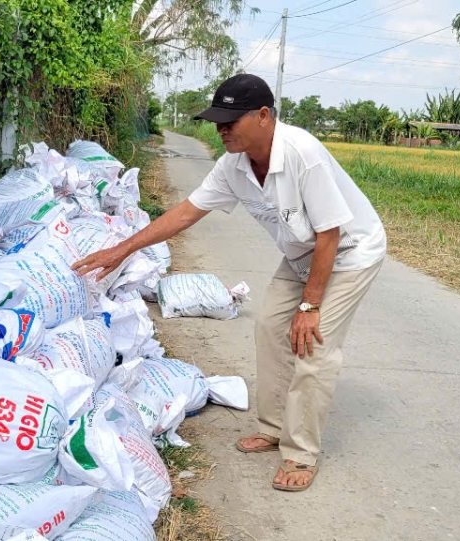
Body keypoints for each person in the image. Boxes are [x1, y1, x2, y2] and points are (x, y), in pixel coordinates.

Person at [72, 74, 385, 492]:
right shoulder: (233, 166)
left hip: (348, 253)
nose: (220, 130)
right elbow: (185, 213)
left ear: (263, 116)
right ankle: (273, 427)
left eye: (230, 121)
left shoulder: (301, 154)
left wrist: (310, 307)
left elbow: (330, 234)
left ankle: (301, 453)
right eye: (217, 122)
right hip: (300, 254)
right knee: (270, 329)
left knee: (314, 344)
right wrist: (122, 250)